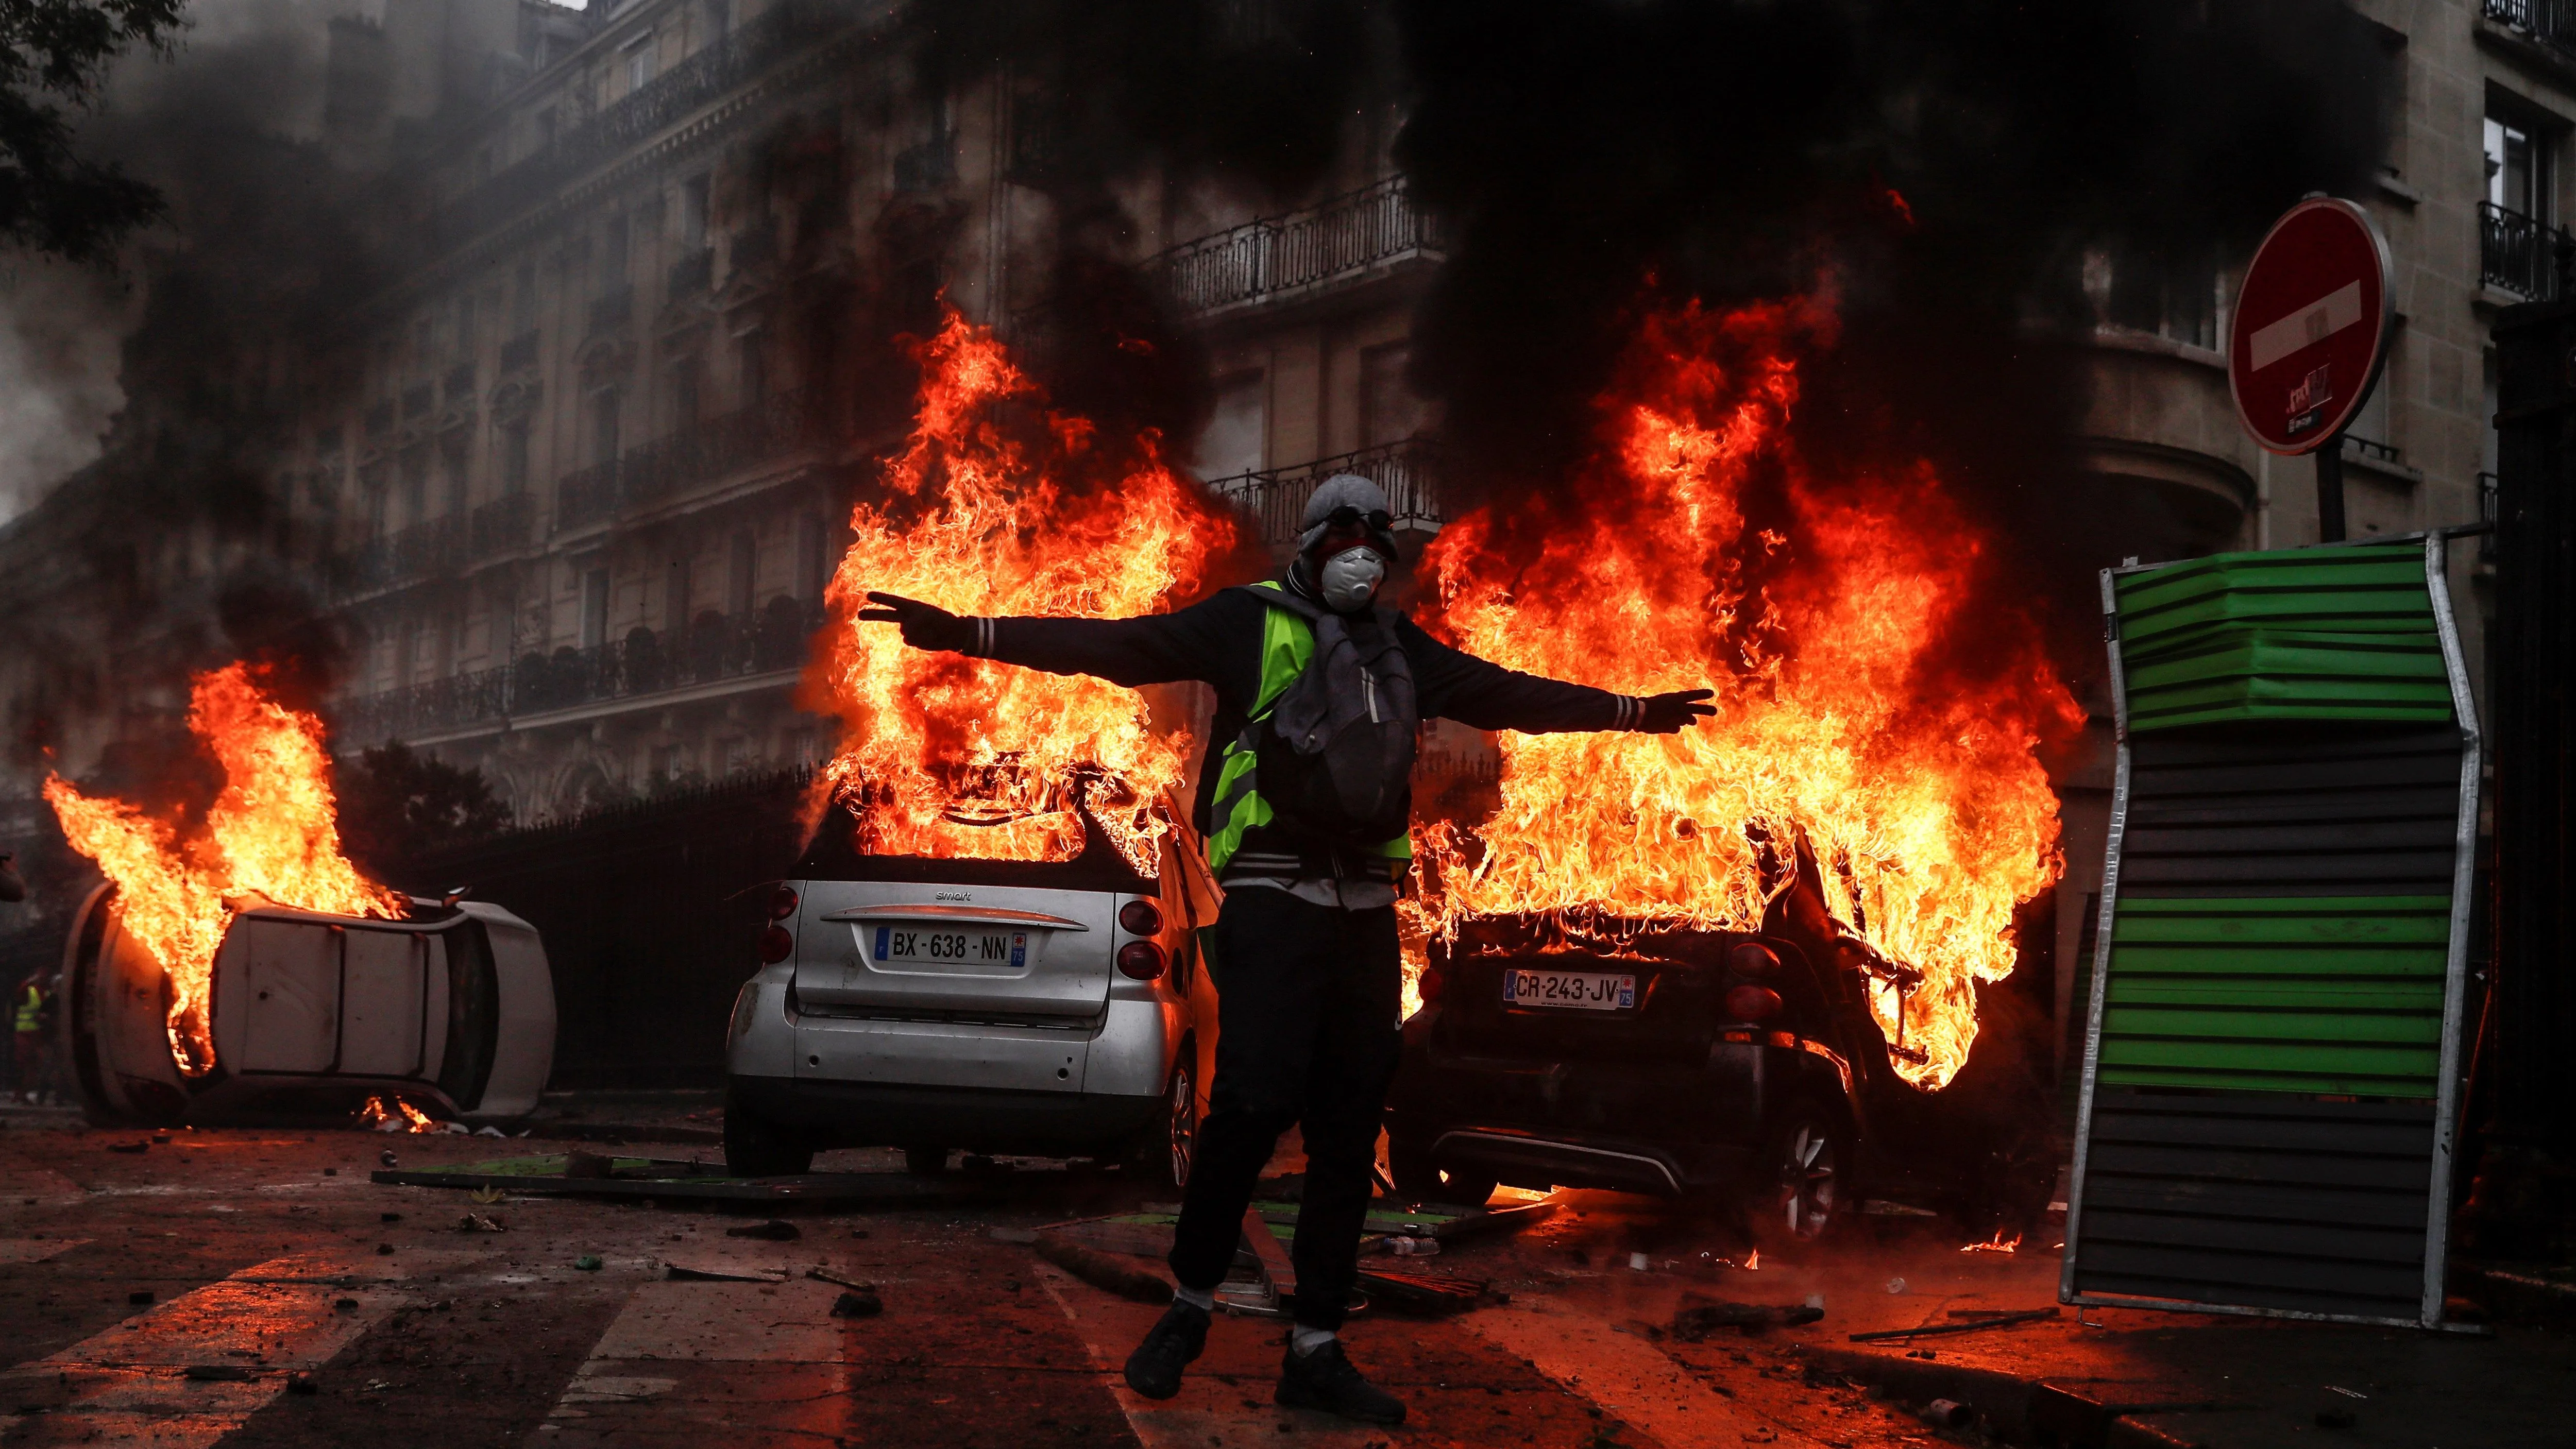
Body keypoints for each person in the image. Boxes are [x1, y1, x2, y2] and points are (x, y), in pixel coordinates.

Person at [860, 474, 1712, 1426]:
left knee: (1351, 1124)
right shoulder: (1244, 621)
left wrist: (1629, 712)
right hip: (1270, 896)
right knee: (1255, 1100)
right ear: (1308, 545)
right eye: (1344, 536)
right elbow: (1113, 647)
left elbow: (1509, 694)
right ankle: (1188, 1305)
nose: (1361, 555)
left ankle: (1316, 1346)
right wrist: (969, 632)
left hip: (1363, 911)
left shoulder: (1399, 648)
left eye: (1374, 544)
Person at [12, 970, 52, 1107]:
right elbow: (21, 993)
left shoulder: (46, 994)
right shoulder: (30, 991)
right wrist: (29, 981)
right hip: (25, 1033)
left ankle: (24, 1094)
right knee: (27, 1064)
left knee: (36, 1065)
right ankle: (21, 1094)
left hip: (37, 1034)